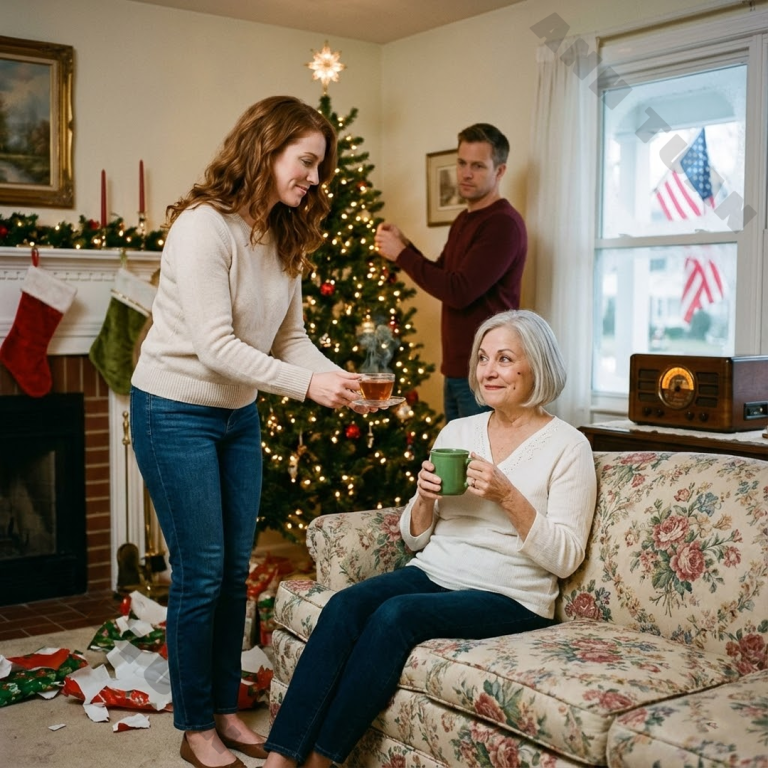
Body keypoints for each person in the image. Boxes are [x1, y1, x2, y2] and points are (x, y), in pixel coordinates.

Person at [130, 96, 370, 768]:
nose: (315, 178)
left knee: (235, 572)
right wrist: (309, 385)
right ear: (266, 149)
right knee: (202, 573)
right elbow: (213, 347)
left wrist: (340, 380)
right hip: (172, 408)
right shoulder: (204, 227)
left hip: (236, 415)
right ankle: (193, 726)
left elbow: (292, 339)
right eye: (307, 161)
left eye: (320, 166)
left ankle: (224, 710)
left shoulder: (284, 234)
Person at [261, 309, 597, 768]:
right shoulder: (458, 431)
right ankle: (279, 760)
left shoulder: (568, 445)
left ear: (536, 365)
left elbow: (564, 557)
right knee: (345, 605)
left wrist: (507, 495)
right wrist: (422, 499)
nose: (488, 370)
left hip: (510, 594)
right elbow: (415, 540)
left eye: (504, 358)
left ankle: (323, 761)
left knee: (396, 615)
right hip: (434, 571)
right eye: (483, 358)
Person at [374, 123, 527, 422]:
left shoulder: (502, 224)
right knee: (455, 466)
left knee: (477, 466)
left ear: (500, 171)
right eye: (461, 163)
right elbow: (444, 274)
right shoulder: (464, 219)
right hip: (458, 370)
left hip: (487, 376)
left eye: (478, 166)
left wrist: (401, 254)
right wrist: (407, 246)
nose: (466, 174)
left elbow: (459, 291)